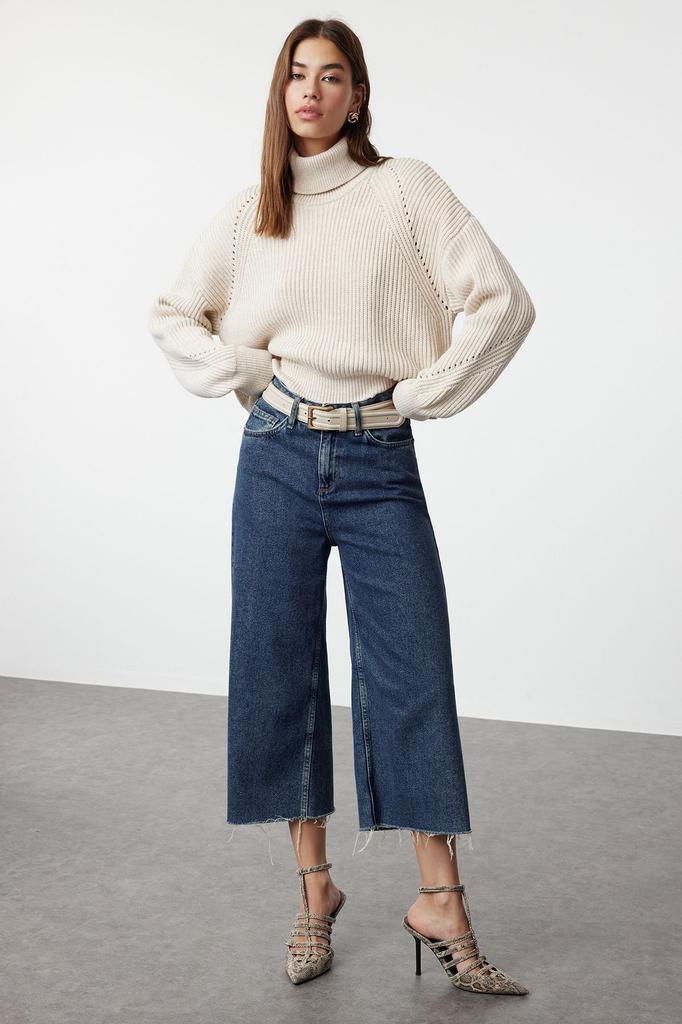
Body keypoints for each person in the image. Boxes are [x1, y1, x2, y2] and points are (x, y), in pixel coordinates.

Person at [148, 18, 535, 997]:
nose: (311, 91)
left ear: (358, 95)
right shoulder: (253, 213)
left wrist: (420, 394)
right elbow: (172, 312)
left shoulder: (405, 189)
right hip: (275, 455)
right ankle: (314, 890)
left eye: (331, 76)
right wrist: (244, 369)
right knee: (279, 669)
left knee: (411, 671)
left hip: (377, 458)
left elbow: (503, 301)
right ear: (279, 94)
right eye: (296, 75)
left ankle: (440, 899)